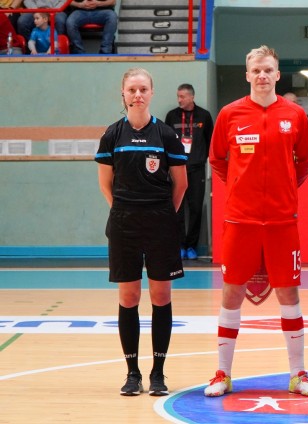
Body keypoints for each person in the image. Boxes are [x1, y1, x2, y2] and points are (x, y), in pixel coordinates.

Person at [204, 45, 308, 398]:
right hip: (241, 220)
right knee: (232, 292)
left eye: (268, 70)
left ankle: (298, 374)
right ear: (247, 75)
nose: (262, 76)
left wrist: (283, 189)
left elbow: (305, 162)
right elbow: (217, 160)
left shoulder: (294, 115)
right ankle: (222, 374)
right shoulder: (230, 114)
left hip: (283, 221)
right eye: (256, 70)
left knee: (289, 293)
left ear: (278, 74)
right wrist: (242, 188)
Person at [94, 67, 188, 397]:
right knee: (129, 297)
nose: (137, 95)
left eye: (143, 89)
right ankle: (132, 373)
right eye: (132, 89)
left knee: (161, 297)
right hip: (124, 224)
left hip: (160, 223)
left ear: (151, 93)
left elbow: (181, 184)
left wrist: (161, 215)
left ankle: (158, 373)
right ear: (123, 93)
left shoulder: (166, 135)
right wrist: (124, 212)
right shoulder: (112, 135)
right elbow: (105, 184)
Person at [164, 83, 214, 261]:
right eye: (178, 96)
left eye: (182, 97)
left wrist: (202, 158)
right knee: (177, 209)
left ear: (192, 97)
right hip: (176, 169)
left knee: (195, 209)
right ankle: (179, 245)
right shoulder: (171, 116)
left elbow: (211, 141)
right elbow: (166, 141)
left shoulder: (204, 116)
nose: (179, 100)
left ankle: (192, 246)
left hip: (197, 169)